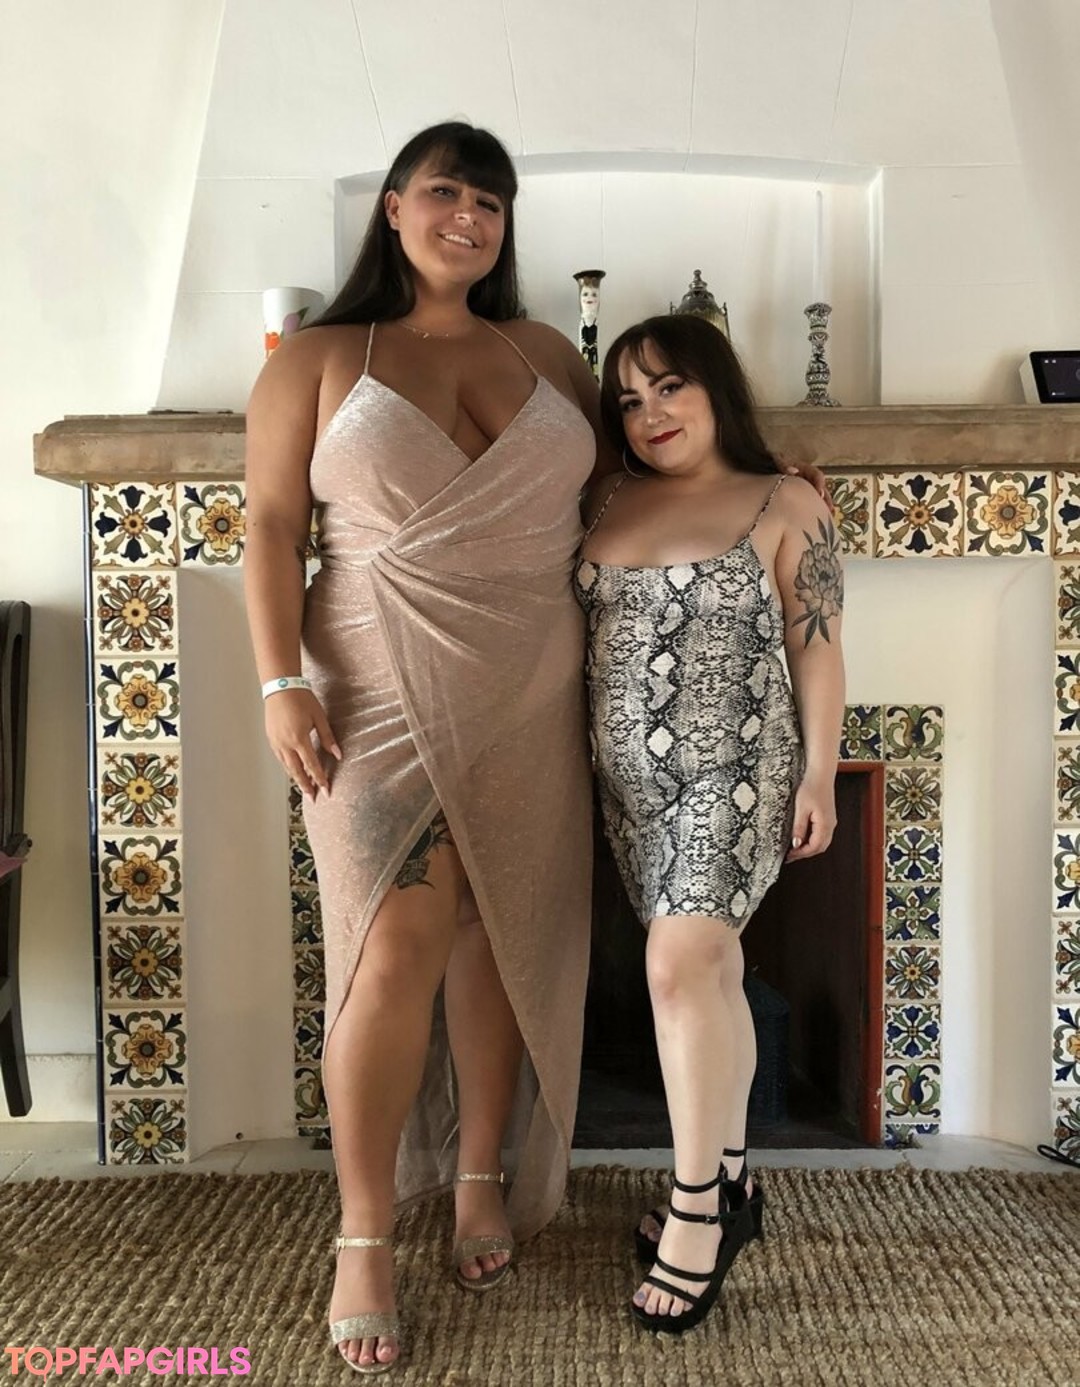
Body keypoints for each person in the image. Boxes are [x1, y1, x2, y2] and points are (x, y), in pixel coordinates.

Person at [244, 120, 827, 1373]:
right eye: (446, 192)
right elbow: (271, 526)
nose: (469, 217)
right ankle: (362, 1233)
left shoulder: (550, 353)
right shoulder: (320, 358)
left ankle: (479, 1178)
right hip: (374, 685)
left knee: (497, 935)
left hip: (534, 688)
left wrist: (772, 484)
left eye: (492, 202)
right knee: (393, 946)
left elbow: (643, 478)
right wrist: (279, 680)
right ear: (394, 206)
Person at [574, 314, 845, 1333]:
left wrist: (820, 774)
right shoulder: (602, 495)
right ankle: (732, 1183)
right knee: (713, 973)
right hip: (627, 789)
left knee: (679, 967)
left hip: (737, 771)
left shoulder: (787, 502)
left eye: (670, 386)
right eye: (629, 399)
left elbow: (817, 645)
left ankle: (695, 1212)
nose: (649, 413)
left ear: (715, 387)